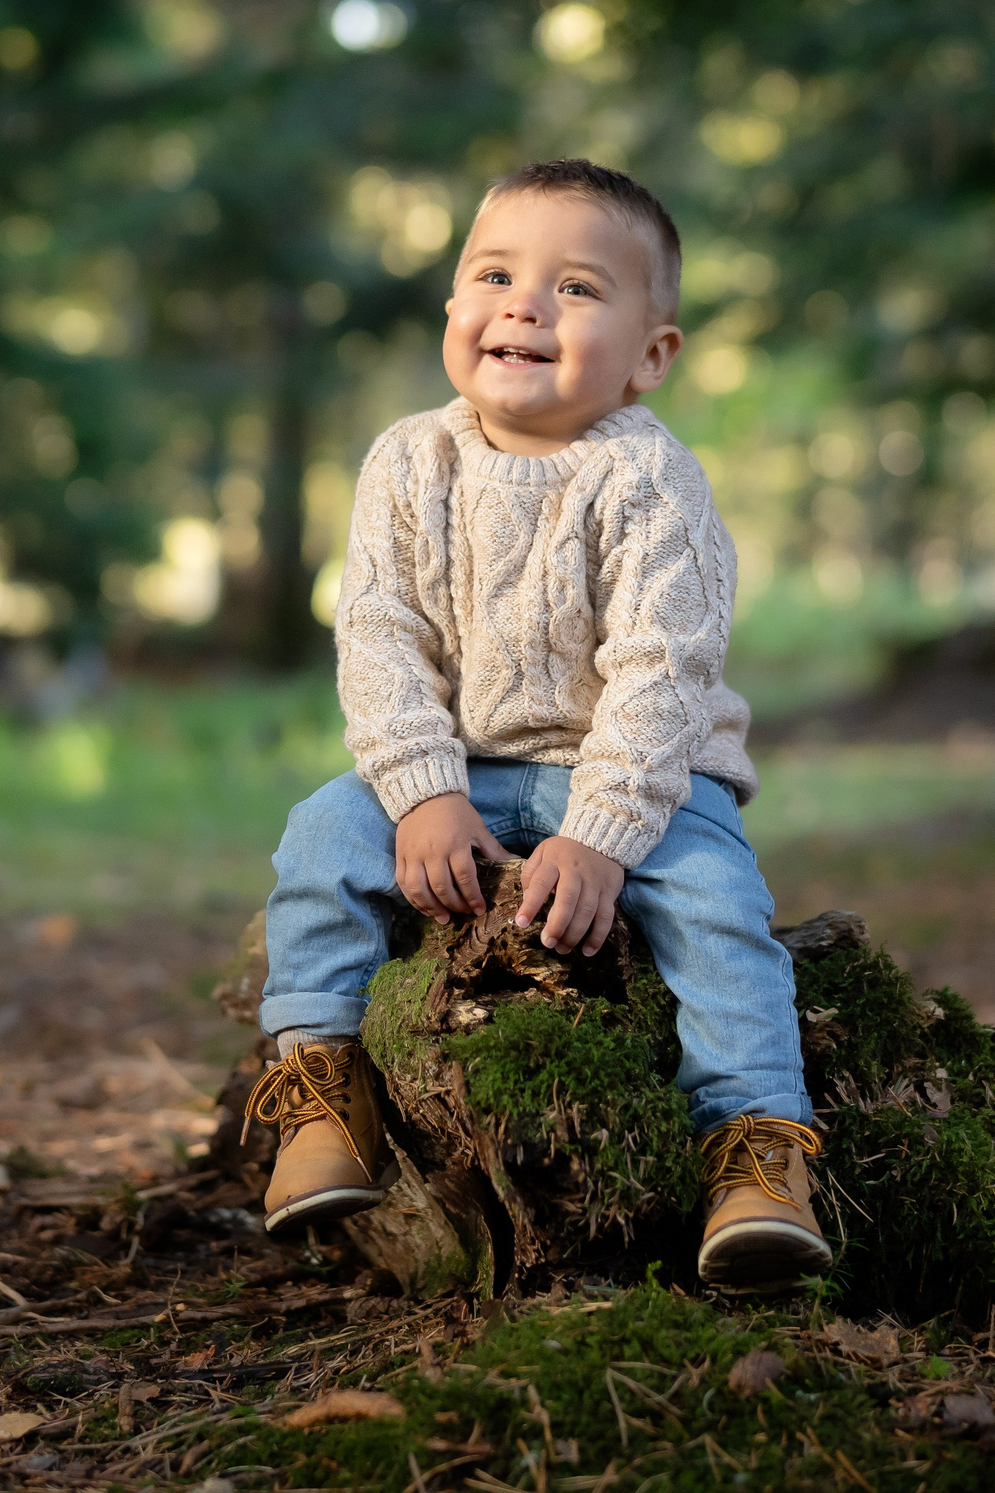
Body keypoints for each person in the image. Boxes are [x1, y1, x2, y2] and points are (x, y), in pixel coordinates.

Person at [246, 158, 828, 1291]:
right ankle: (319, 1086)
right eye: (497, 274)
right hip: (455, 768)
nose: (523, 304)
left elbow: (662, 676)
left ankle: (755, 1148)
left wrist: (602, 837)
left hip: (639, 779)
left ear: (650, 355)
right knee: (319, 839)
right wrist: (420, 792)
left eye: (575, 289)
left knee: (718, 911)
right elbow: (377, 636)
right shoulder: (409, 460)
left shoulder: (652, 480)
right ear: (454, 311)